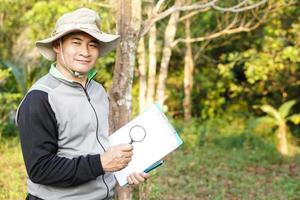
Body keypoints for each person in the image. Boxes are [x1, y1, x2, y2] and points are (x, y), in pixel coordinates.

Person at [16, 8, 149, 200]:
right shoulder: (40, 98)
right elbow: (40, 169)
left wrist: (125, 169)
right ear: (57, 45)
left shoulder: (98, 91)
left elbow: (97, 147)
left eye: (92, 45)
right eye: (76, 43)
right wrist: (101, 163)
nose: (85, 52)